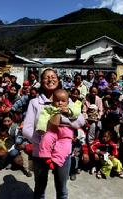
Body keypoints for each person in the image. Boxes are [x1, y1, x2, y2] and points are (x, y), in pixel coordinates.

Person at [23, 68, 85, 199]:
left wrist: (61, 118)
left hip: (63, 151)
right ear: (41, 81)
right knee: (39, 189)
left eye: (53, 76)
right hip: (40, 152)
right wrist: (45, 142)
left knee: (62, 189)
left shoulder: (67, 100)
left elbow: (80, 121)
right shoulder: (35, 102)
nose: (50, 79)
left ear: (58, 80)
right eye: (46, 77)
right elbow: (27, 129)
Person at [36, 89, 83, 169]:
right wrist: (41, 128)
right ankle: (46, 156)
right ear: (53, 101)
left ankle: (56, 160)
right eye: (57, 100)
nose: (60, 103)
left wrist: (69, 111)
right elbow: (43, 117)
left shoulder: (71, 106)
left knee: (65, 146)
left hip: (66, 131)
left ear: (68, 101)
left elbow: (77, 112)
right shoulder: (49, 108)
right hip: (52, 131)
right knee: (46, 139)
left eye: (63, 101)